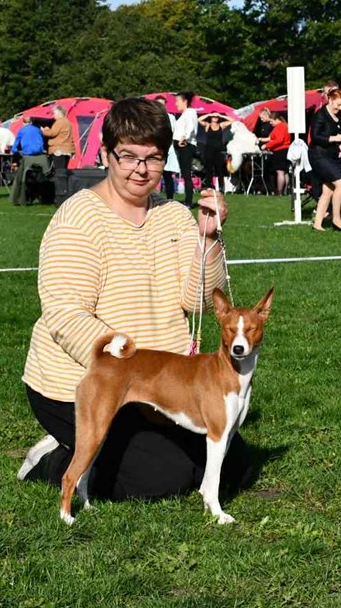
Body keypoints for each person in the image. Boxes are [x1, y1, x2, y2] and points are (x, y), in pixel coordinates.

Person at [16, 97, 250, 500]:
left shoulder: (175, 215)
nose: (141, 170)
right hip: (84, 379)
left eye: (153, 158)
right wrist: (133, 365)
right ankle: (54, 458)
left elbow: (196, 300)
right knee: (160, 479)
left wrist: (208, 239)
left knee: (235, 462)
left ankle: (111, 447)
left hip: (161, 383)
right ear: (106, 154)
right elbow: (65, 316)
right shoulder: (78, 218)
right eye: (128, 156)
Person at [309, 89, 341, 231]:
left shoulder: (340, 114)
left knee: (328, 190)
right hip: (318, 155)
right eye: (337, 105)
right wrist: (334, 138)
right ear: (330, 100)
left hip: (332, 155)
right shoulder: (319, 116)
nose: (339, 109)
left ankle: (317, 224)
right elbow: (315, 137)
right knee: (340, 183)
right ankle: (336, 219)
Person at [10, 117, 49, 206]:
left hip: (28, 157)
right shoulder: (38, 129)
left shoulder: (22, 130)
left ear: (23, 123)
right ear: (31, 122)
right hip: (41, 157)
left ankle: (18, 198)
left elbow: (15, 145)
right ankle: (45, 197)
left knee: (21, 176)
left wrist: (14, 151)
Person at [173, 91, 199, 207]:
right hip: (182, 146)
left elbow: (191, 127)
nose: (176, 104)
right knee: (185, 173)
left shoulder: (190, 112)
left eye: (178, 101)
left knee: (186, 174)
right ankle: (187, 200)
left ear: (185, 102)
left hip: (186, 146)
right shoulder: (185, 114)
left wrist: (185, 137)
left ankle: (189, 201)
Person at [262, 111, 291, 195]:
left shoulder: (280, 126)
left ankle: (279, 192)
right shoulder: (284, 126)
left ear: (276, 119)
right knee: (285, 172)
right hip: (285, 150)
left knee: (280, 172)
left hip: (280, 150)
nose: (270, 123)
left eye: (271, 121)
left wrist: (267, 145)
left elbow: (279, 140)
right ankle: (285, 191)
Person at [199, 112, 229, 193]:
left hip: (218, 151)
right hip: (209, 150)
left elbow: (232, 121)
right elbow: (199, 120)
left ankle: (221, 188)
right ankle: (209, 186)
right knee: (209, 169)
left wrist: (221, 115)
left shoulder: (221, 125)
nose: (215, 118)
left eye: (216, 117)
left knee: (220, 170)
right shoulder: (207, 125)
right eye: (214, 117)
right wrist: (209, 115)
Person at [156, 98, 179, 200]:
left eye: (163, 104)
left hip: (167, 149)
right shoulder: (150, 117)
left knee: (167, 175)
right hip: (154, 149)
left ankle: (170, 198)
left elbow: (174, 132)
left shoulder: (171, 118)